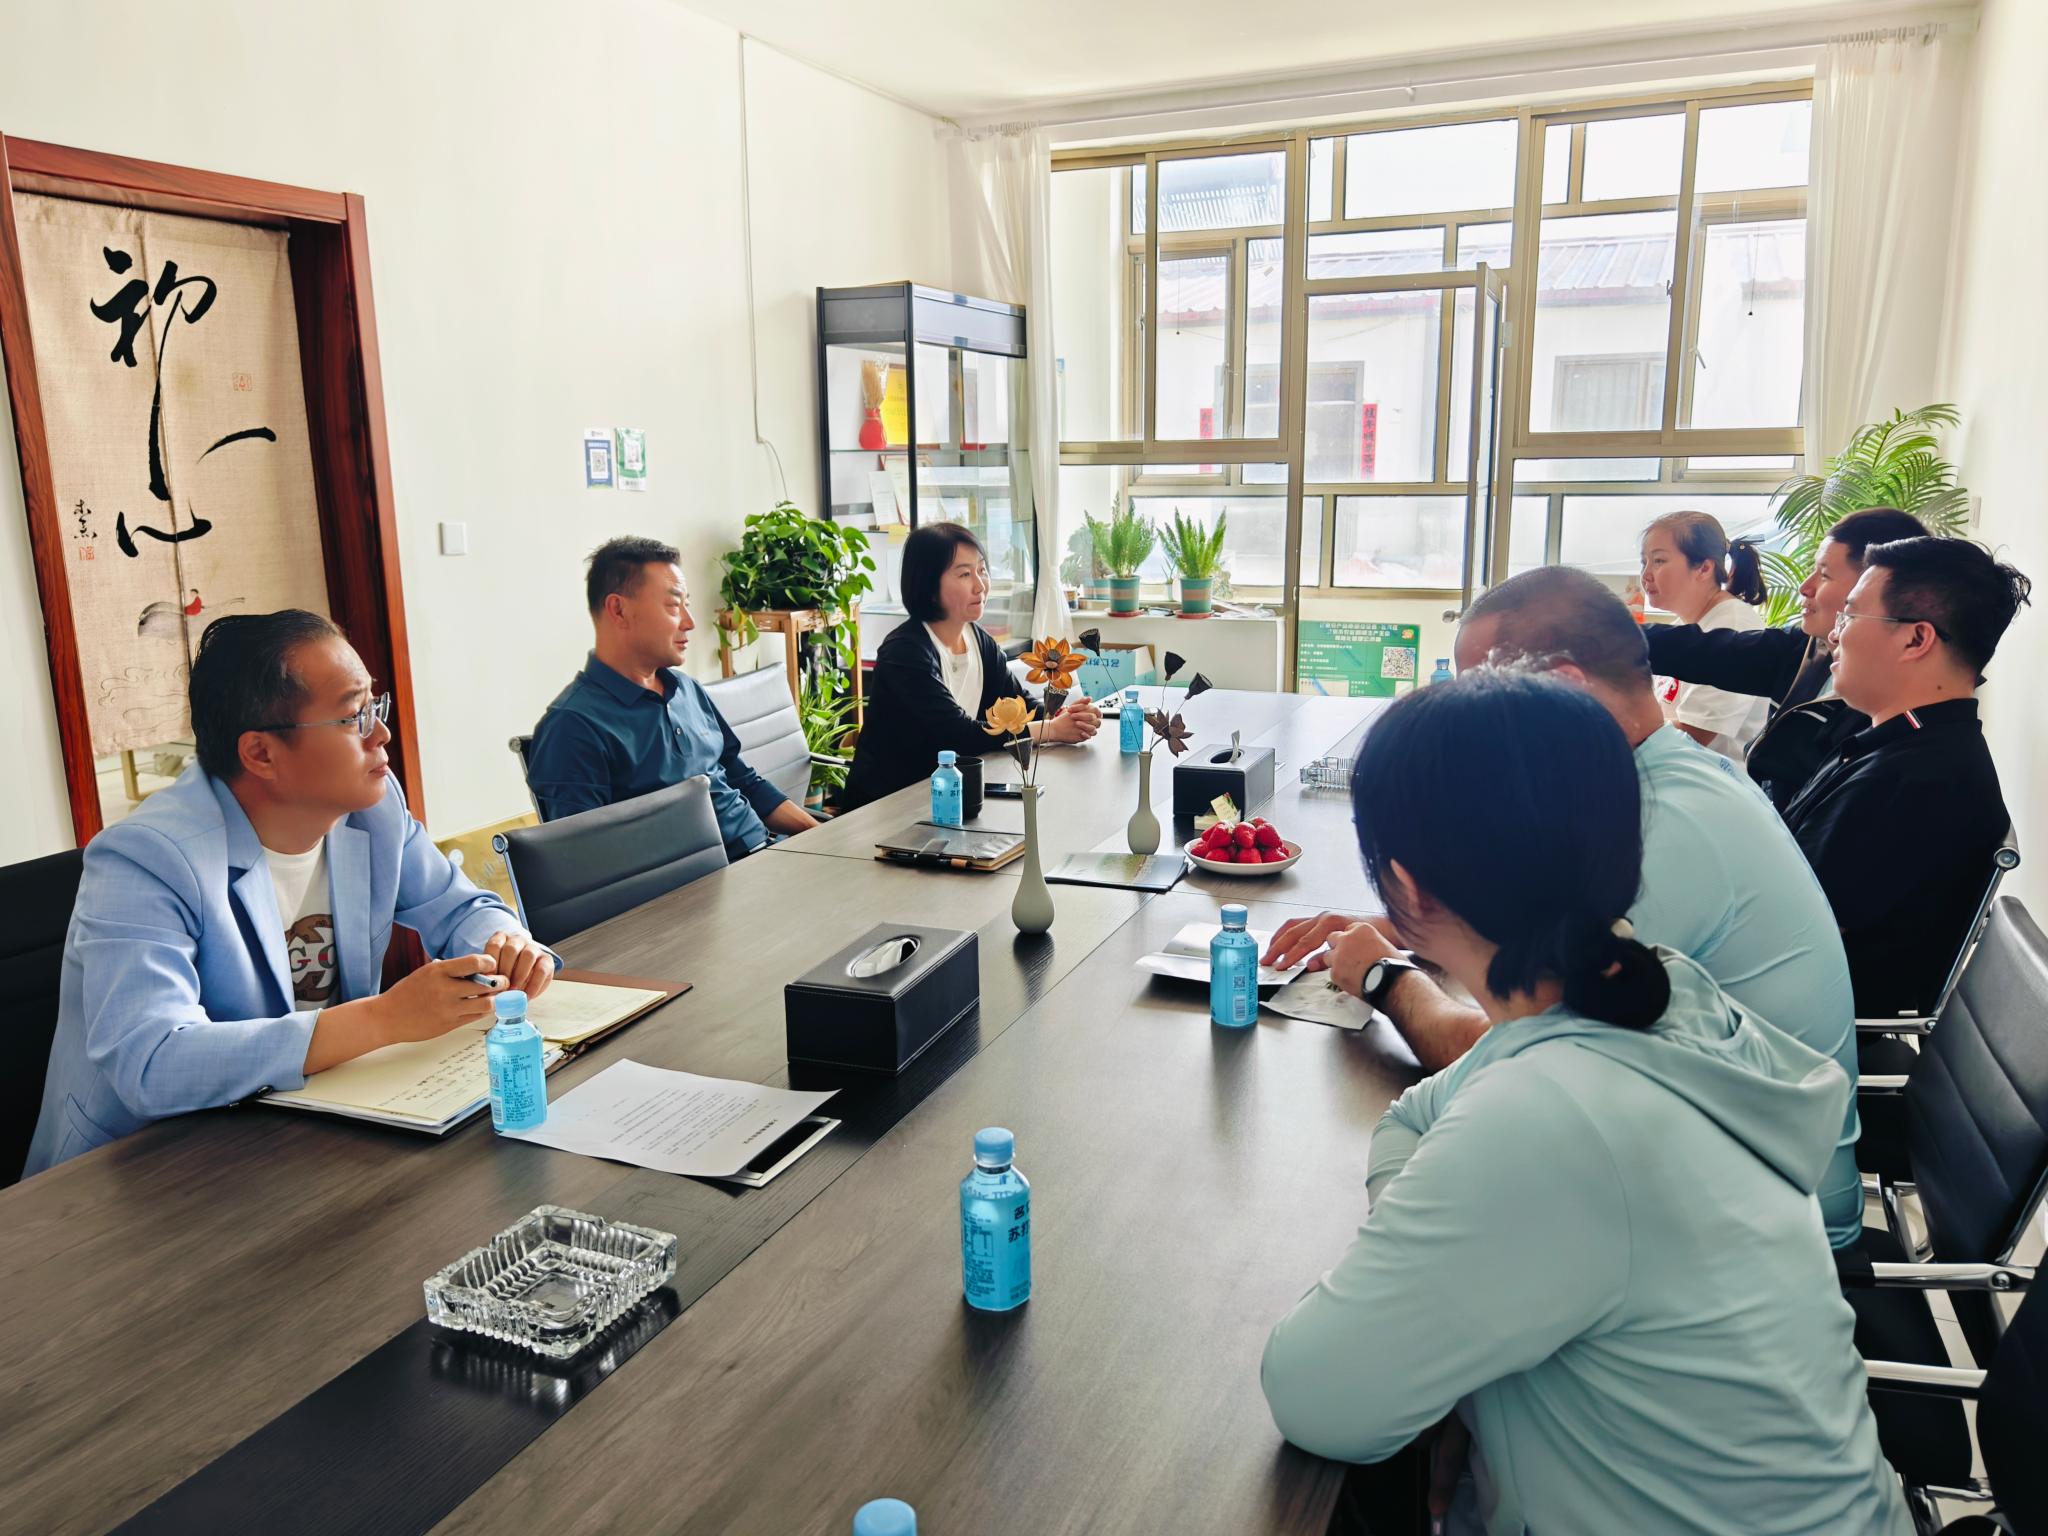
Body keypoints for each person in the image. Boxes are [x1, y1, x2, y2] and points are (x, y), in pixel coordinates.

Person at [1259, 671, 1908, 1536]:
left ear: (1406, 890)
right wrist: (1460, 1307)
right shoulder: (1666, 991)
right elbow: (1417, 1115)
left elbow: (1317, 1396)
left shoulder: (1551, 1116)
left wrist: (1447, 1304)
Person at [1267, 565, 1865, 1248]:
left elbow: (1511, 1053)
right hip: (1698, 1165)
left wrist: (1386, 979)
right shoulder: (1662, 777)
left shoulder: (1662, 826)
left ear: (1564, 688)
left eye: (1482, 697)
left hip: (1758, 1231)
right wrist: (1404, 921)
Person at [25, 611, 555, 1176]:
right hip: (142, 1173)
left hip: (301, 1135)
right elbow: (152, 1061)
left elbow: (461, 907)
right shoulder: (147, 857)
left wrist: (507, 944)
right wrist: (384, 1019)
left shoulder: (372, 811)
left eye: (374, 706)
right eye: (353, 716)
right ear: (260, 753)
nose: (381, 734)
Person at [1787, 536, 2030, 1018]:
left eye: (1849, 615)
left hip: (1792, 1030)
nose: (1834, 634)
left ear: (1916, 640)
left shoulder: (1921, 783)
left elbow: (1791, 937)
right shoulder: (1907, 747)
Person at [526, 537, 818, 858]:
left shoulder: (686, 689)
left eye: (686, 605)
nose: (689, 623)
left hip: (765, 854)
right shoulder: (573, 726)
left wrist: (821, 837)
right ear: (619, 610)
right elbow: (583, 861)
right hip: (703, 881)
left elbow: (743, 781)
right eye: (674, 606)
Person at [1645, 506, 1928, 808]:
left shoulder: (1889, 719)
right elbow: (1704, 651)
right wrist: (1615, 632)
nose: (1805, 587)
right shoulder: (1806, 651)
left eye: (1824, 574)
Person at [840, 522, 1100, 810]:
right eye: (965, 574)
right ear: (928, 585)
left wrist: (1069, 717)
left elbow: (1018, 706)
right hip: (886, 808)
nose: (980, 585)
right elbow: (960, 736)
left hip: (946, 798)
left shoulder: (978, 639)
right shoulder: (904, 652)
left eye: (982, 570)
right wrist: (1051, 729)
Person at [1638, 509, 1768, 760]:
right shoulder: (1685, 624)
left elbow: (1693, 735)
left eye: (1659, 561)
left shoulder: (1734, 628)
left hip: (1703, 777)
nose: (1646, 576)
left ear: (1704, 568)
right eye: (1644, 562)